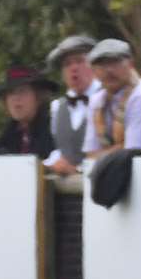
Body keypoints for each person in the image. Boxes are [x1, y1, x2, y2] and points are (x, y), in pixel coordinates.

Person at [42, 34, 98, 175]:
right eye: (67, 64)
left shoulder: (108, 100)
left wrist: (78, 170)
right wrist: (54, 163)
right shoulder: (56, 107)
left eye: (80, 61)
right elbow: (58, 149)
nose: (73, 68)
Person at [0, 65, 59, 157]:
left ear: (38, 97)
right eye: (11, 92)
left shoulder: (53, 130)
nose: (16, 98)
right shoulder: (7, 137)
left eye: (22, 91)